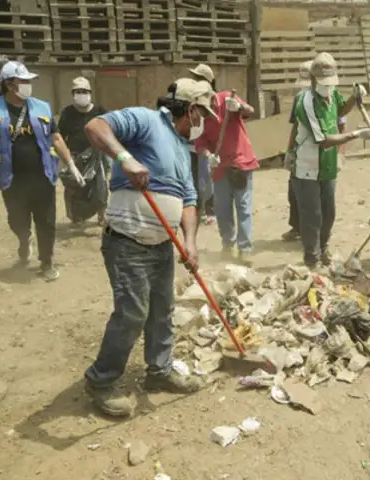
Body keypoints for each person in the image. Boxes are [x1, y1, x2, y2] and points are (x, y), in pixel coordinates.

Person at [82, 78, 214, 417]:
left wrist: (190, 242)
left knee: (162, 311)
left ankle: (159, 371)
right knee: (133, 314)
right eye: (204, 115)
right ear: (191, 110)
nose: (205, 123)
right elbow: (95, 126)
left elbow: (188, 201)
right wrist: (125, 158)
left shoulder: (184, 151)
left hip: (160, 247)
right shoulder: (146, 120)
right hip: (127, 241)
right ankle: (101, 381)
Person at [0, 61, 85, 281]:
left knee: (46, 222)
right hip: (10, 178)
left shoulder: (41, 107)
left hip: (43, 175)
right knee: (17, 220)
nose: (29, 85)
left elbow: (55, 137)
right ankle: (24, 238)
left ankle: (46, 262)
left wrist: (71, 164)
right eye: (24, 81)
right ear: (9, 84)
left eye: (29, 81)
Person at [289, 52, 370, 268]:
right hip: (307, 167)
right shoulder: (305, 102)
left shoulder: (332, 93)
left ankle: (323, 249)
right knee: (312, 216)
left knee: (329, 214)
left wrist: (354, 99)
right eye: (323, 83)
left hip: (327, 166)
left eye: (330, 82)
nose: (327, 87)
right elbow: (323, 141)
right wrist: (356, 135)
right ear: (312, 80)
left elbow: (340, 110)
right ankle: (311, 258)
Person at [282, 60, 348, 242]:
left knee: (324, 204)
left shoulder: (332, 96)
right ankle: (299, 229)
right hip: (303, 157)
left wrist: (341, 153)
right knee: (296, 195)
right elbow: (296, 127)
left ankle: (319, 239)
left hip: (325, 159)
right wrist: (290, 151)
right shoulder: (302, 99)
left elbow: (340, 126)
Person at [195, 86, 258, 266]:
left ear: (214, 99)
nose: (209, 113)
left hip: (241, 162)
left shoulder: (227, 98)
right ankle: (228, 245)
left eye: (210, 109)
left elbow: (250, 111)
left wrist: (238, 107)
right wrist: (209, 155)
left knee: (243, 206)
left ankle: (244, 248)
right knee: (222, 209)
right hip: (220, 166)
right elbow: (200, 144)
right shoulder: (201, 115)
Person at [58, 76, 108, 225]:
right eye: (78, 92)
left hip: (97, 155)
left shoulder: (100, 111)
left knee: (101, 185)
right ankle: (76, 216)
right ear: (73, 94)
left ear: (90, 93)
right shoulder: (67, 113)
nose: (81, 94)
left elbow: (110, 130)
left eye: (84, 91)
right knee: (75, 187)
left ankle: (102, 214)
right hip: (75, 156)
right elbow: (60, 136)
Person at [189, 63, 216, 224]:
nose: (194, 80)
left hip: (205, 145)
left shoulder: (211, 98)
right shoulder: (192, 95)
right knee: (193, 179)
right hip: (191, 145)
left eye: (197, 77)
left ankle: (211, 210)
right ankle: (198, 209)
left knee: (207, 178)